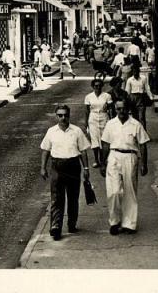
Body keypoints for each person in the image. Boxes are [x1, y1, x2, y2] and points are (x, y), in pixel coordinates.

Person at [40, 103, 91, 240]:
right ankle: (56, 227)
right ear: (56, 116)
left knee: (73, 198)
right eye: (60, 115)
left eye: (65, 115)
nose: (63, 118)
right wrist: (43, 168)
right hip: (57, 166)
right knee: (56, 198)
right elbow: (45, 150)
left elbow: (83, 151)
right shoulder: (51, 131)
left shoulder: (77, 131)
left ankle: (72, 223)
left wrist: (86, 169)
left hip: (73, 166)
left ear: (69, 116)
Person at [100, 99, 150, 234]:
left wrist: (144, 164)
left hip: (130, 157)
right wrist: (102, 163)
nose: (121, 111)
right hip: (114, 156)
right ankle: (114, 222)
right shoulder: (110, 124)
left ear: (127, 109)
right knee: (114, 192)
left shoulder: (135, 124)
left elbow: (143, 144)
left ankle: (129, 223)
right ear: (115, 110)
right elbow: (105, 144)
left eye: (123, 108)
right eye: (118, 109)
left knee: (130, 191)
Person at [84, 78, 112, 167]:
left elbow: (111, 109)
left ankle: (104, 159)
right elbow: (86, 111)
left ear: (102, 86)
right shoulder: (88, 97)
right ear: (93, 86)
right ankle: (96, 160)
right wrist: (86, 123)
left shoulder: (107, 96)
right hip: (93, 118)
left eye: (100, 86)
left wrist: (111, 120)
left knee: (104, 139)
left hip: (104, 117)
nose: (98, 87)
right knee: (94, 140)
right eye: (96, 86)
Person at [125, 62, 152, 127]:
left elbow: (147, 88)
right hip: (133, 98)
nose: (135, 73)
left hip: (141, 98)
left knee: (141, 117)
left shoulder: (143, 78)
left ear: (139, 71)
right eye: (134, 71)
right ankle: (136, 133)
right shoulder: (130, 80)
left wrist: (151, 96)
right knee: (135, 118)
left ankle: (143, 133)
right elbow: (127, 91)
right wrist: (126, 100)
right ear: (132, 72)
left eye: (137, 71)